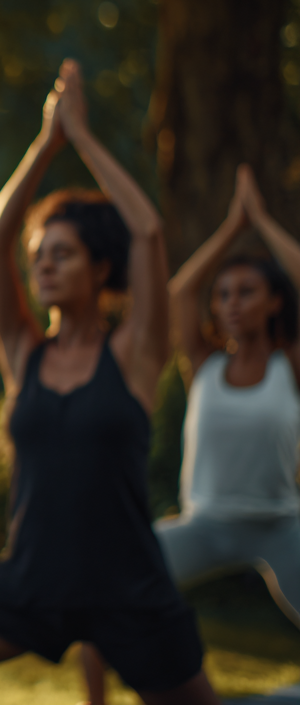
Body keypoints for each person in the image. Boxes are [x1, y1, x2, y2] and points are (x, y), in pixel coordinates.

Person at [0, 62, 220, 705]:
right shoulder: (24, 352)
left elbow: (148, 231)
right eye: (40, 256)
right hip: (28, 586)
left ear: (99, 267)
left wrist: (80, 139)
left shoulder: (136, 351)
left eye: (63, 252)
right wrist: (45, 142)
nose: (44, 264)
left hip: (130, 593)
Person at [81, 164, 300, 704]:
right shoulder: (201, 363)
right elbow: (180, 294)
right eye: (224, 293)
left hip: (280, 524)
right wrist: (231, 227)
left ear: (275, 301)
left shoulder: (289, 366)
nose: (230, 303)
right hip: (205, 522)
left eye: (247, 292)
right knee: (103, 590)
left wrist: (264, 222)